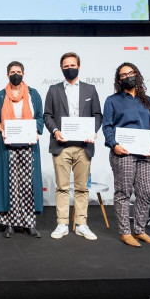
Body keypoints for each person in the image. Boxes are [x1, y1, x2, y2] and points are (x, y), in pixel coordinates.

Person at [43, 52, 102, 240]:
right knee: (61, 187)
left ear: (79, 66)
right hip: (61, 146)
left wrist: (93, 131)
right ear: (61, 68)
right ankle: (62, 224)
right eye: (66, 66)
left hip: (83, 146)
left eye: (72, 65)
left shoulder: (90, 89)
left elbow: (97, 115)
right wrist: (55, 131)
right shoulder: (53, 90)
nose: (69, 68)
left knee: (82, 188)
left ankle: (81, 224)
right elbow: (47, 115)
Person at [102, 62, 150, 247]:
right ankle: (125, 232)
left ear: (137, 75)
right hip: (123, 153)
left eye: (131, 73)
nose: (128, 77)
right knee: (123, 192)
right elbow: (107, 125)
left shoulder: (149, 101)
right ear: (119, 79)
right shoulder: (112, 100)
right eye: (123, 75)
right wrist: (114, 144)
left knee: (145, 192)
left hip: (145, 154)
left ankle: (140, 230)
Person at [0, 61, 44, 238]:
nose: (16, 74)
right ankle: (9, 223)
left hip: (29, 145)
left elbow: (39, 117)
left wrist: (36, 130)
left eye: (19, 71)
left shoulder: (33, 94)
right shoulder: (0, 95)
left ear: (23, 73)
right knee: (10, 183)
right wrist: (3, 130)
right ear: (7, 74)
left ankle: (29, 224)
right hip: (8, 145)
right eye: (13, 72)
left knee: (27, 184)